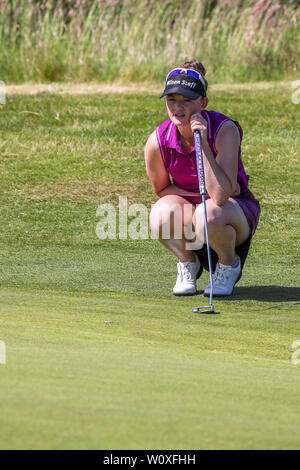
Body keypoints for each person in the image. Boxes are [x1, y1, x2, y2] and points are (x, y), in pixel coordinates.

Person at [145, 60, 260, 296]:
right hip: (196, 207)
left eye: (186, 100)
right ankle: (188, 262)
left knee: (209, 213)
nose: (178, 107)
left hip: (231, 212)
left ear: (203, 102)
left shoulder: (224, 130)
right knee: (160, 214)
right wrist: (197, 198)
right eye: (171, 100)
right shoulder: (157, 141)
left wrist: (203, 143)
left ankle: (228, 265)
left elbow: (219, 196)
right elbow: (161, 189)